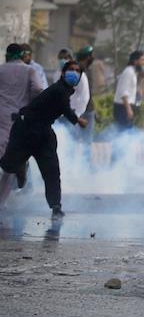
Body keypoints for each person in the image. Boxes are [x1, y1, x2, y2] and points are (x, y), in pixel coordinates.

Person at [0, 60, 88, 214]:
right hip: (24, 130)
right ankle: (21, 167)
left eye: (77, 71)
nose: (74, 73)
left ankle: (56, 206)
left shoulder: (65, 91)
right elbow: (64, 108)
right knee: (8, 166)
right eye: (71, 69)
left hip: (43, 133)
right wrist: (78, 120)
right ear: (63, 73)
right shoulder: (59, 89)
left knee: (52, 171)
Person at [114, 50, 144, 130]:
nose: (143, 63)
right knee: (123, 132)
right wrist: (128, 109)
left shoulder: (133, 72)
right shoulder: (128, 72)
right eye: (141, 60)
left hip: (126, 106)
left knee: (127, 131)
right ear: (135, 61)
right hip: (122, 107)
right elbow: (124, 92)